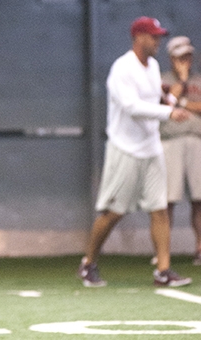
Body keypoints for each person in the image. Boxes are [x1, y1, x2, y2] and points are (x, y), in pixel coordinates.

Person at [78, 17, 193, 287]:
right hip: (125, 149)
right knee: (113, 212)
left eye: (159, 36)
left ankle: (163, 271)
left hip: (151, 148)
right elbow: (132, 107)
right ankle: (88, 263)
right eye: (153, 36)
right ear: (138, 37)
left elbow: (156, 100)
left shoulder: (152, 66)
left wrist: (172, 97)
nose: (157, 42)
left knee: (159, 208)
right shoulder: (122, 68)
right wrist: (169, 112)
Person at [160, 36, 201, 265]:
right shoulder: (161, 80)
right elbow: (166, 101)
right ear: (172, 58)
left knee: (199, 199)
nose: (186, 60)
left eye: (188, 55)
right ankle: (163, 252)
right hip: (170, 142)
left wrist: (183, 103)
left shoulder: (200, 80)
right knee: (167, 200)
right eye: (181, 56)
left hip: (197, 141)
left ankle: (200, 248)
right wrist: (182, 81)